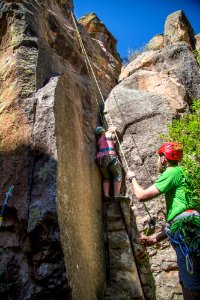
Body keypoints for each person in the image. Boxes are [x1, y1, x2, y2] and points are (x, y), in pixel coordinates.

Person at [127, 142, 200, 300]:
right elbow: (183, 215)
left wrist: (132, 178)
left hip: (186, 232)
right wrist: (155, 238)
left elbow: (142, 196)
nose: (156, 162)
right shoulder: (185, 173)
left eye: (157, 158)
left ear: (164, 159)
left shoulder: (172, 172)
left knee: (191, 284)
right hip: (192, 227)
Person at [95, 126, 128, 201]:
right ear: (103, 130)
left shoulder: (99, 140)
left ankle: (106, 195)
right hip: (110, 155)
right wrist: (114, 128)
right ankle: (116, 195)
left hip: (100, 158)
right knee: (118, 175)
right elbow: (116, 131)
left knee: (106, 178)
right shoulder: (107, 134)